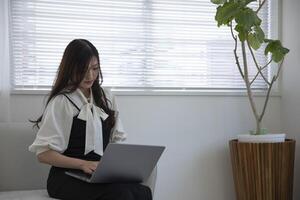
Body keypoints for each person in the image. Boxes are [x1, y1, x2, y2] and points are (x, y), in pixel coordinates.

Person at [29, 39, 152, 200]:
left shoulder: (106, 97)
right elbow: (43, 155)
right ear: (69, 69)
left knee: (141, 192)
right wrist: (83, 164)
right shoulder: (62, 102)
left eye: (95, 68)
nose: (90, 75)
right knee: (121, 194)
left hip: (99, 174)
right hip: (66, 177)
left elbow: (116, 142)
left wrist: (120, 167)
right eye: (83, 70)